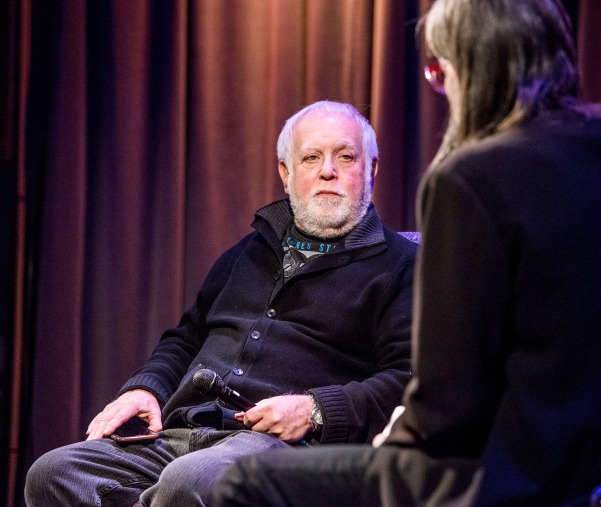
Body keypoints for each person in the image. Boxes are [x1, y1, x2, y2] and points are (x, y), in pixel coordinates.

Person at [212, 0, 601, 505]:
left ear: (467, 67)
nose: (443, 87)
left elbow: (449, 412)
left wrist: (394, 446)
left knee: (245, 482)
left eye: (437, 70)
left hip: (540, 481)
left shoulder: (472, 178)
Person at [24, 100, 417, 506]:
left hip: (280, 449)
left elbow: (411, 380)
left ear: (371, 170)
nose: (327, 170)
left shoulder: (402, 266)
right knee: (54, 474)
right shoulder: (249, 251)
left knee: (188, 481)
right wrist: (146, 388)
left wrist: (316, 409)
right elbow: (186, 338)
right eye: (311, 157)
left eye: (346, 156)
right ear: (286, 174)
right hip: (184, 432)